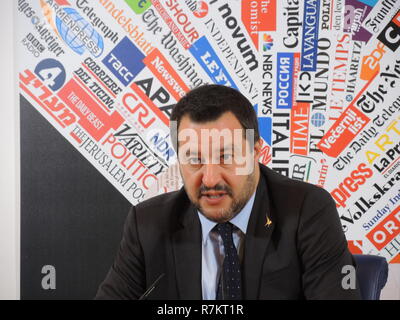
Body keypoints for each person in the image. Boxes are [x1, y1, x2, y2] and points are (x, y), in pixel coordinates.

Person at [95, 84, 361, 300]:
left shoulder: (307, 211)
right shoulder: (148, 223)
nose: (209, 179)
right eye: (194, 160)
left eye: (226, 157)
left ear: (256, 152)